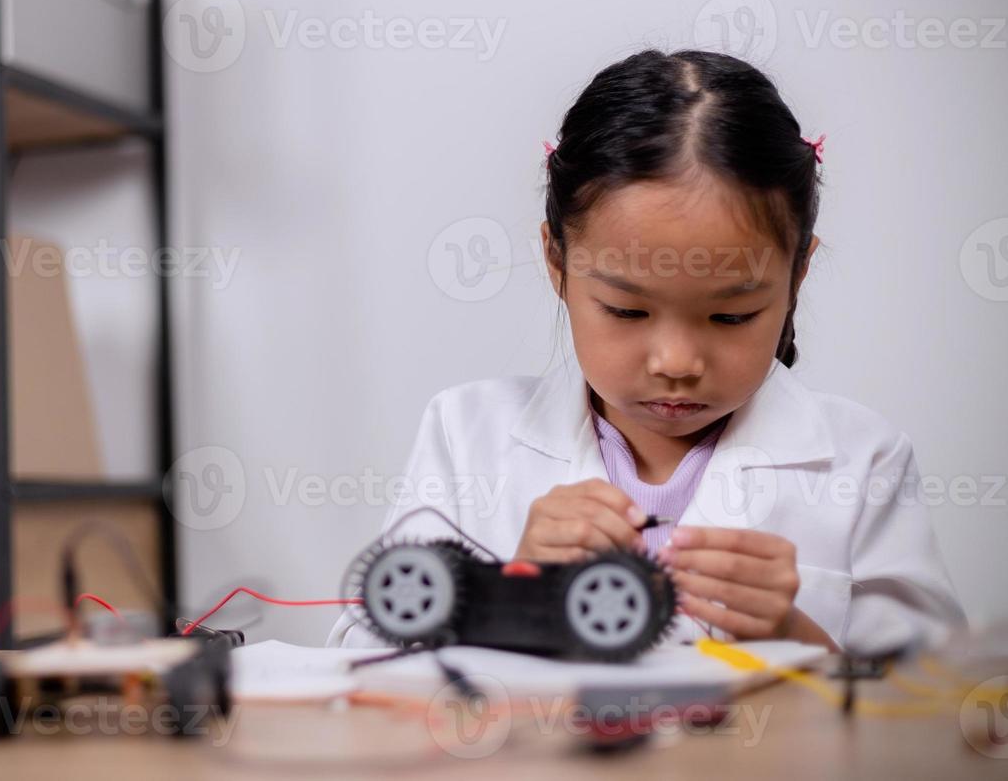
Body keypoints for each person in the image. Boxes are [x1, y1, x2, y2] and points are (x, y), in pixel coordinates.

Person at [328, 49, 965, 654]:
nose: (676, 363)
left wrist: (796, 637)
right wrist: (507, 598)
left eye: (731, 316)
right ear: (556, 262)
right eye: (627, 311)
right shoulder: (467, 435)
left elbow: (935, 703)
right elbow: (362, 662)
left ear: (797, 274)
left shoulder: (865, 462)